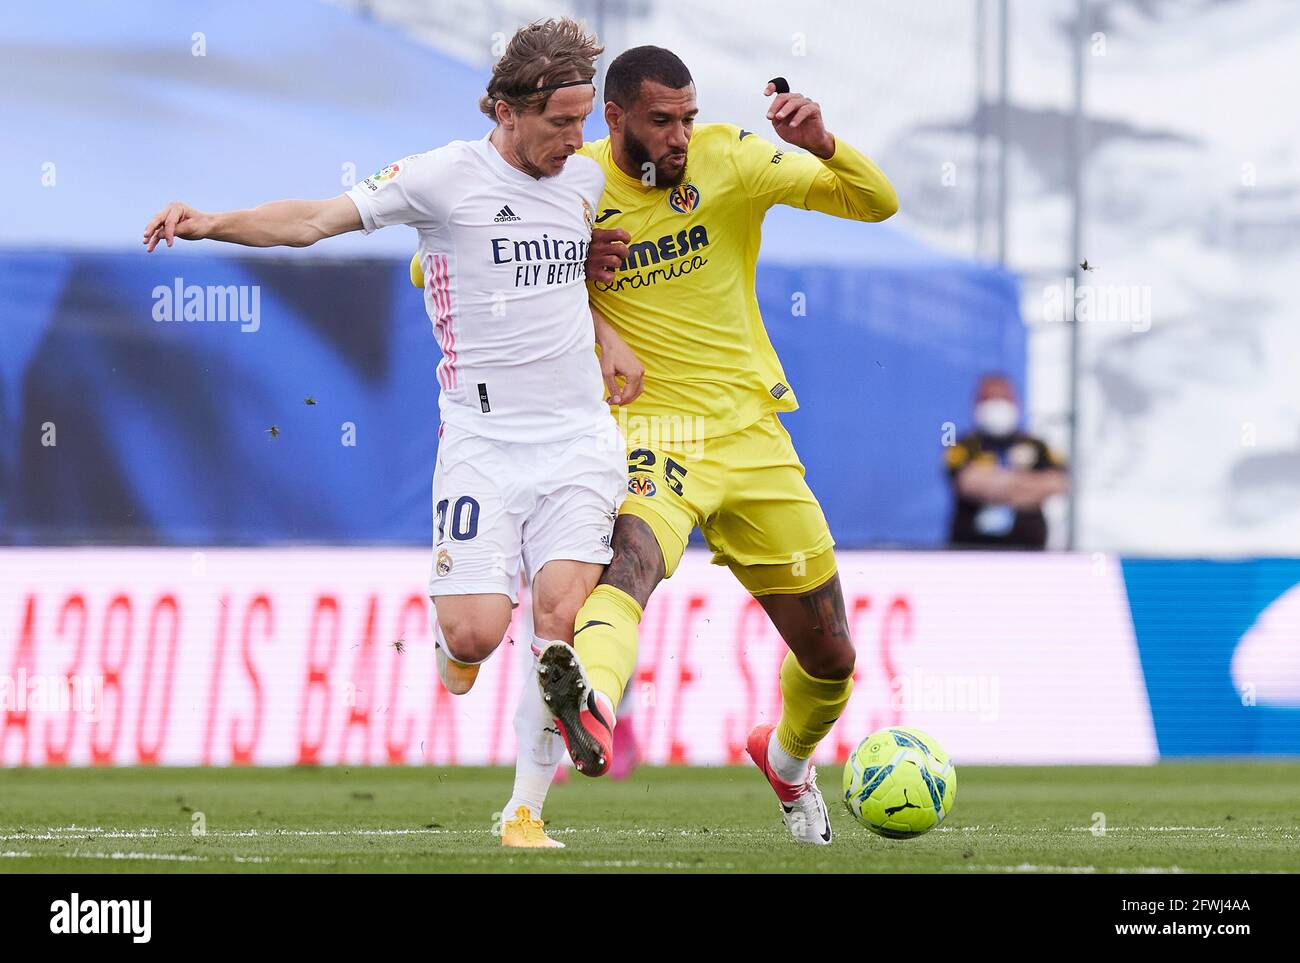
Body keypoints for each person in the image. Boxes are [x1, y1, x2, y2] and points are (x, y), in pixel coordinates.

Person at [143, 18, 646, 849]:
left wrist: (606, 329)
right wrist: (212, 222)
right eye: (561, 122)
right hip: (482, 442)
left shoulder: (582, 182)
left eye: (584, 119)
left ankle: (525, 811)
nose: (577, 138)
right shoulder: (444, 177)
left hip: (578, 437)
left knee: (560, 618)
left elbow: (559, 274)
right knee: (478, 633)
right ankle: (461, 647)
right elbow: (311, 221)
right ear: (506, 110)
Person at [537, 46, 898, 845]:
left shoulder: (729, 158)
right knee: (627, 568)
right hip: (650, 433)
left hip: (752, 434)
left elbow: (877, 204)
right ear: (615, 117)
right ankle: (591, 700)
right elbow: (443, 268)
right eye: (661, 120)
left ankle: (787, 759)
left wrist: (824, 144)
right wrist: (565, 259)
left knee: (832, 658)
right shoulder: (572, 186)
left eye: (687, 117)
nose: (678, 135)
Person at [945, 374, 1068, 549]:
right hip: (971, 552)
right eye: (989, 399)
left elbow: (1056, 483)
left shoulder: (1037, 445)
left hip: (1028, 552)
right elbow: (967, 483)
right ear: (976, 404)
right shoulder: (961, 445)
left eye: (1002, 398)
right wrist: (1028, 489)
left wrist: (994, 484)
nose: (996, 406)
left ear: (1016, 402)